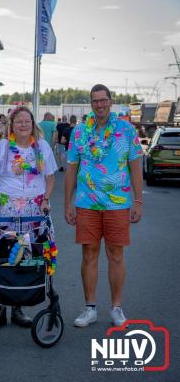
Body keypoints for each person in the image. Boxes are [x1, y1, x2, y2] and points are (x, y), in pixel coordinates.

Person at [64, 84, 143, 327]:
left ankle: (116, 308)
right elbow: (71, 168)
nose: (99, 104)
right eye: (95, 101)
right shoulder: (79, 132)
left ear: (111, 101)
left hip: (117, 204)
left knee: (116, 255)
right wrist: (68, 202)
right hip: (86, 202)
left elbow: (135, 165)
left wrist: (137, 200)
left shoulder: (126, 130)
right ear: (90, 103)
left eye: (103, 100)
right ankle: (89, 309)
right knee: (88, 254)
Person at [0, 105, 58, 327]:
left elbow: (50, 178)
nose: (23, 124)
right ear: (11, 125)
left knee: (24, 258)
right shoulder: (3, 147)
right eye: (19, 120)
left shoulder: (42, 148)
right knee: (2, 255)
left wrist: (46, 200)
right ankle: (0, 307)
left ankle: (18, 309)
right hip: (6, 212)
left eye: (27, 120)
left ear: (33, 124)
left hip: (33, 213)